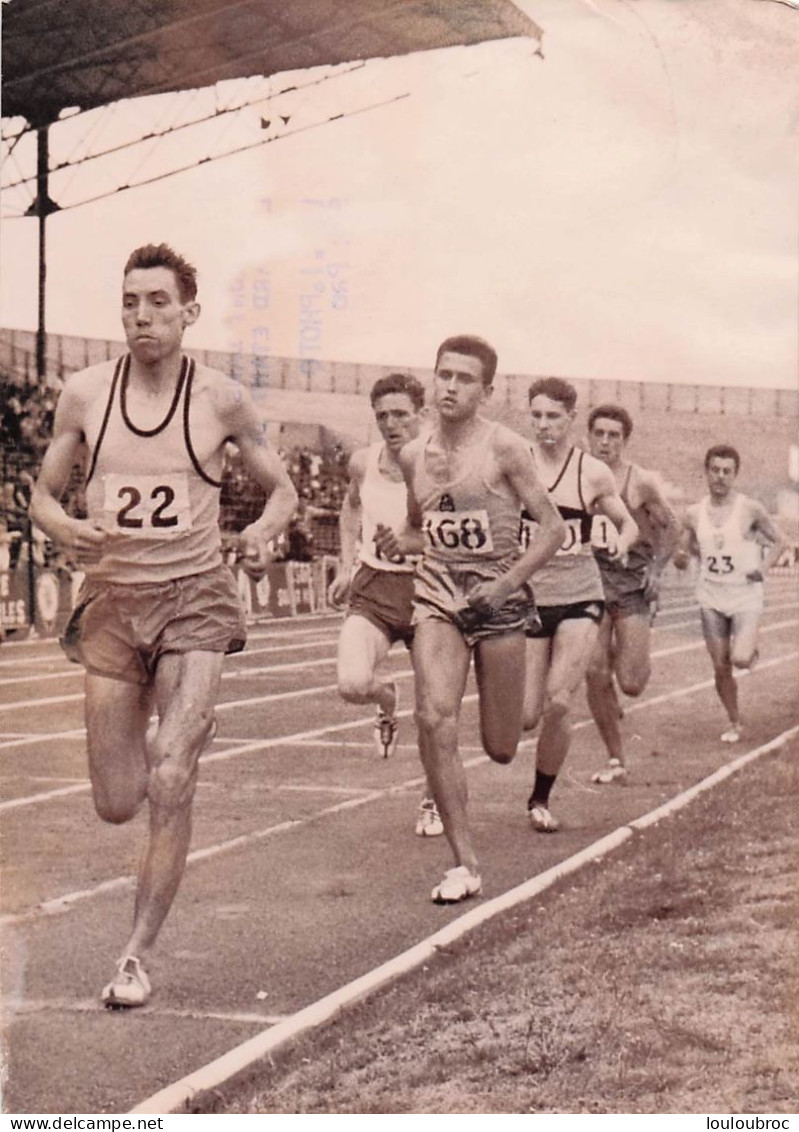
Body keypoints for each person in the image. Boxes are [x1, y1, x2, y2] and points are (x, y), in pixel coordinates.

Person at [29, 243, 297, 1009]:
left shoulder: (220, 399)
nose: (140, 315)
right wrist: (61, 529)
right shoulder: (83, 394)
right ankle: (166, 727)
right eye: (129, 302)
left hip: (193, 597)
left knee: (173, 774)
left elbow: (279, 492)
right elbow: (42, 495)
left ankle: (135, 956)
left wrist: (260, 532)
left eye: (155, 301)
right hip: (113, 600)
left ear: (188, 312)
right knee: (118, 800)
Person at [376, 336, 565, 904]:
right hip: (438, 596)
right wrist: (401, 540)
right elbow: (419, 526)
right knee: (433, 719)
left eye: (463, 378)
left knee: (503, 745)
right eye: (443, 375)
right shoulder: (413, 455)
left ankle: (508, 715)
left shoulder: (506, 449)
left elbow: (553, 530)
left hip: (501, 600)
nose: (450, 386)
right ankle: (465, 864)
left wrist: (503, 585)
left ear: (485, 391)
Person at [327, 372, 443, 837]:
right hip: (375, 585)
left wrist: (416, 545)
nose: (391, 424)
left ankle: (433, 802)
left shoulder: (443, 465)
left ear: (422, 415)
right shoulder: (363, 461)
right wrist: (343, 564)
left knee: (434, 713)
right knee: (352, 683)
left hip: (431, 590)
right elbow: (350, 507)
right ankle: (385, 697)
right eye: (382, 417)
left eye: (400, 415)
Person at [521, 379, 637, 832]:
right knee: (528, 714)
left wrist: (624, 545)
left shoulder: (590, 473)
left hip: (580, 596)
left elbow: (625, 523)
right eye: (536, 416)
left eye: (552, 416)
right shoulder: (518, 465)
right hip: (530, 599)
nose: (544, 425)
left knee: (559, 701)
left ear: (571, 419)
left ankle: (540, 799)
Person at [584, 404, 680, 783]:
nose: (605, 442)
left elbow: (671, 528)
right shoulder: (577, 474)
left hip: (630, 582)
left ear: (624, 441)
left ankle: (628, 648)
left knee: (632, 683)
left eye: (614, 436)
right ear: (589, 436)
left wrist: (657, 569)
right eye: (600, 434)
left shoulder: (639, 482)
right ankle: (615, 758)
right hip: (589, 583)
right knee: (593, 671)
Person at [673, 444, 782, 743]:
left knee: (741, 659)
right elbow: (684, 549)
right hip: (711, 594)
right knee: (720, 665)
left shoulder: (750, 509)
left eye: (727, 471)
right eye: (715, 470)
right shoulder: (694, 513)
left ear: (735, 474)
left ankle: (749, 652)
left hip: (745, 595)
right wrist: (682, 557)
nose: (720, 477)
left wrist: (764, 567)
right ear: (706, 472)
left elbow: (782, 542)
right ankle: (735, 721)